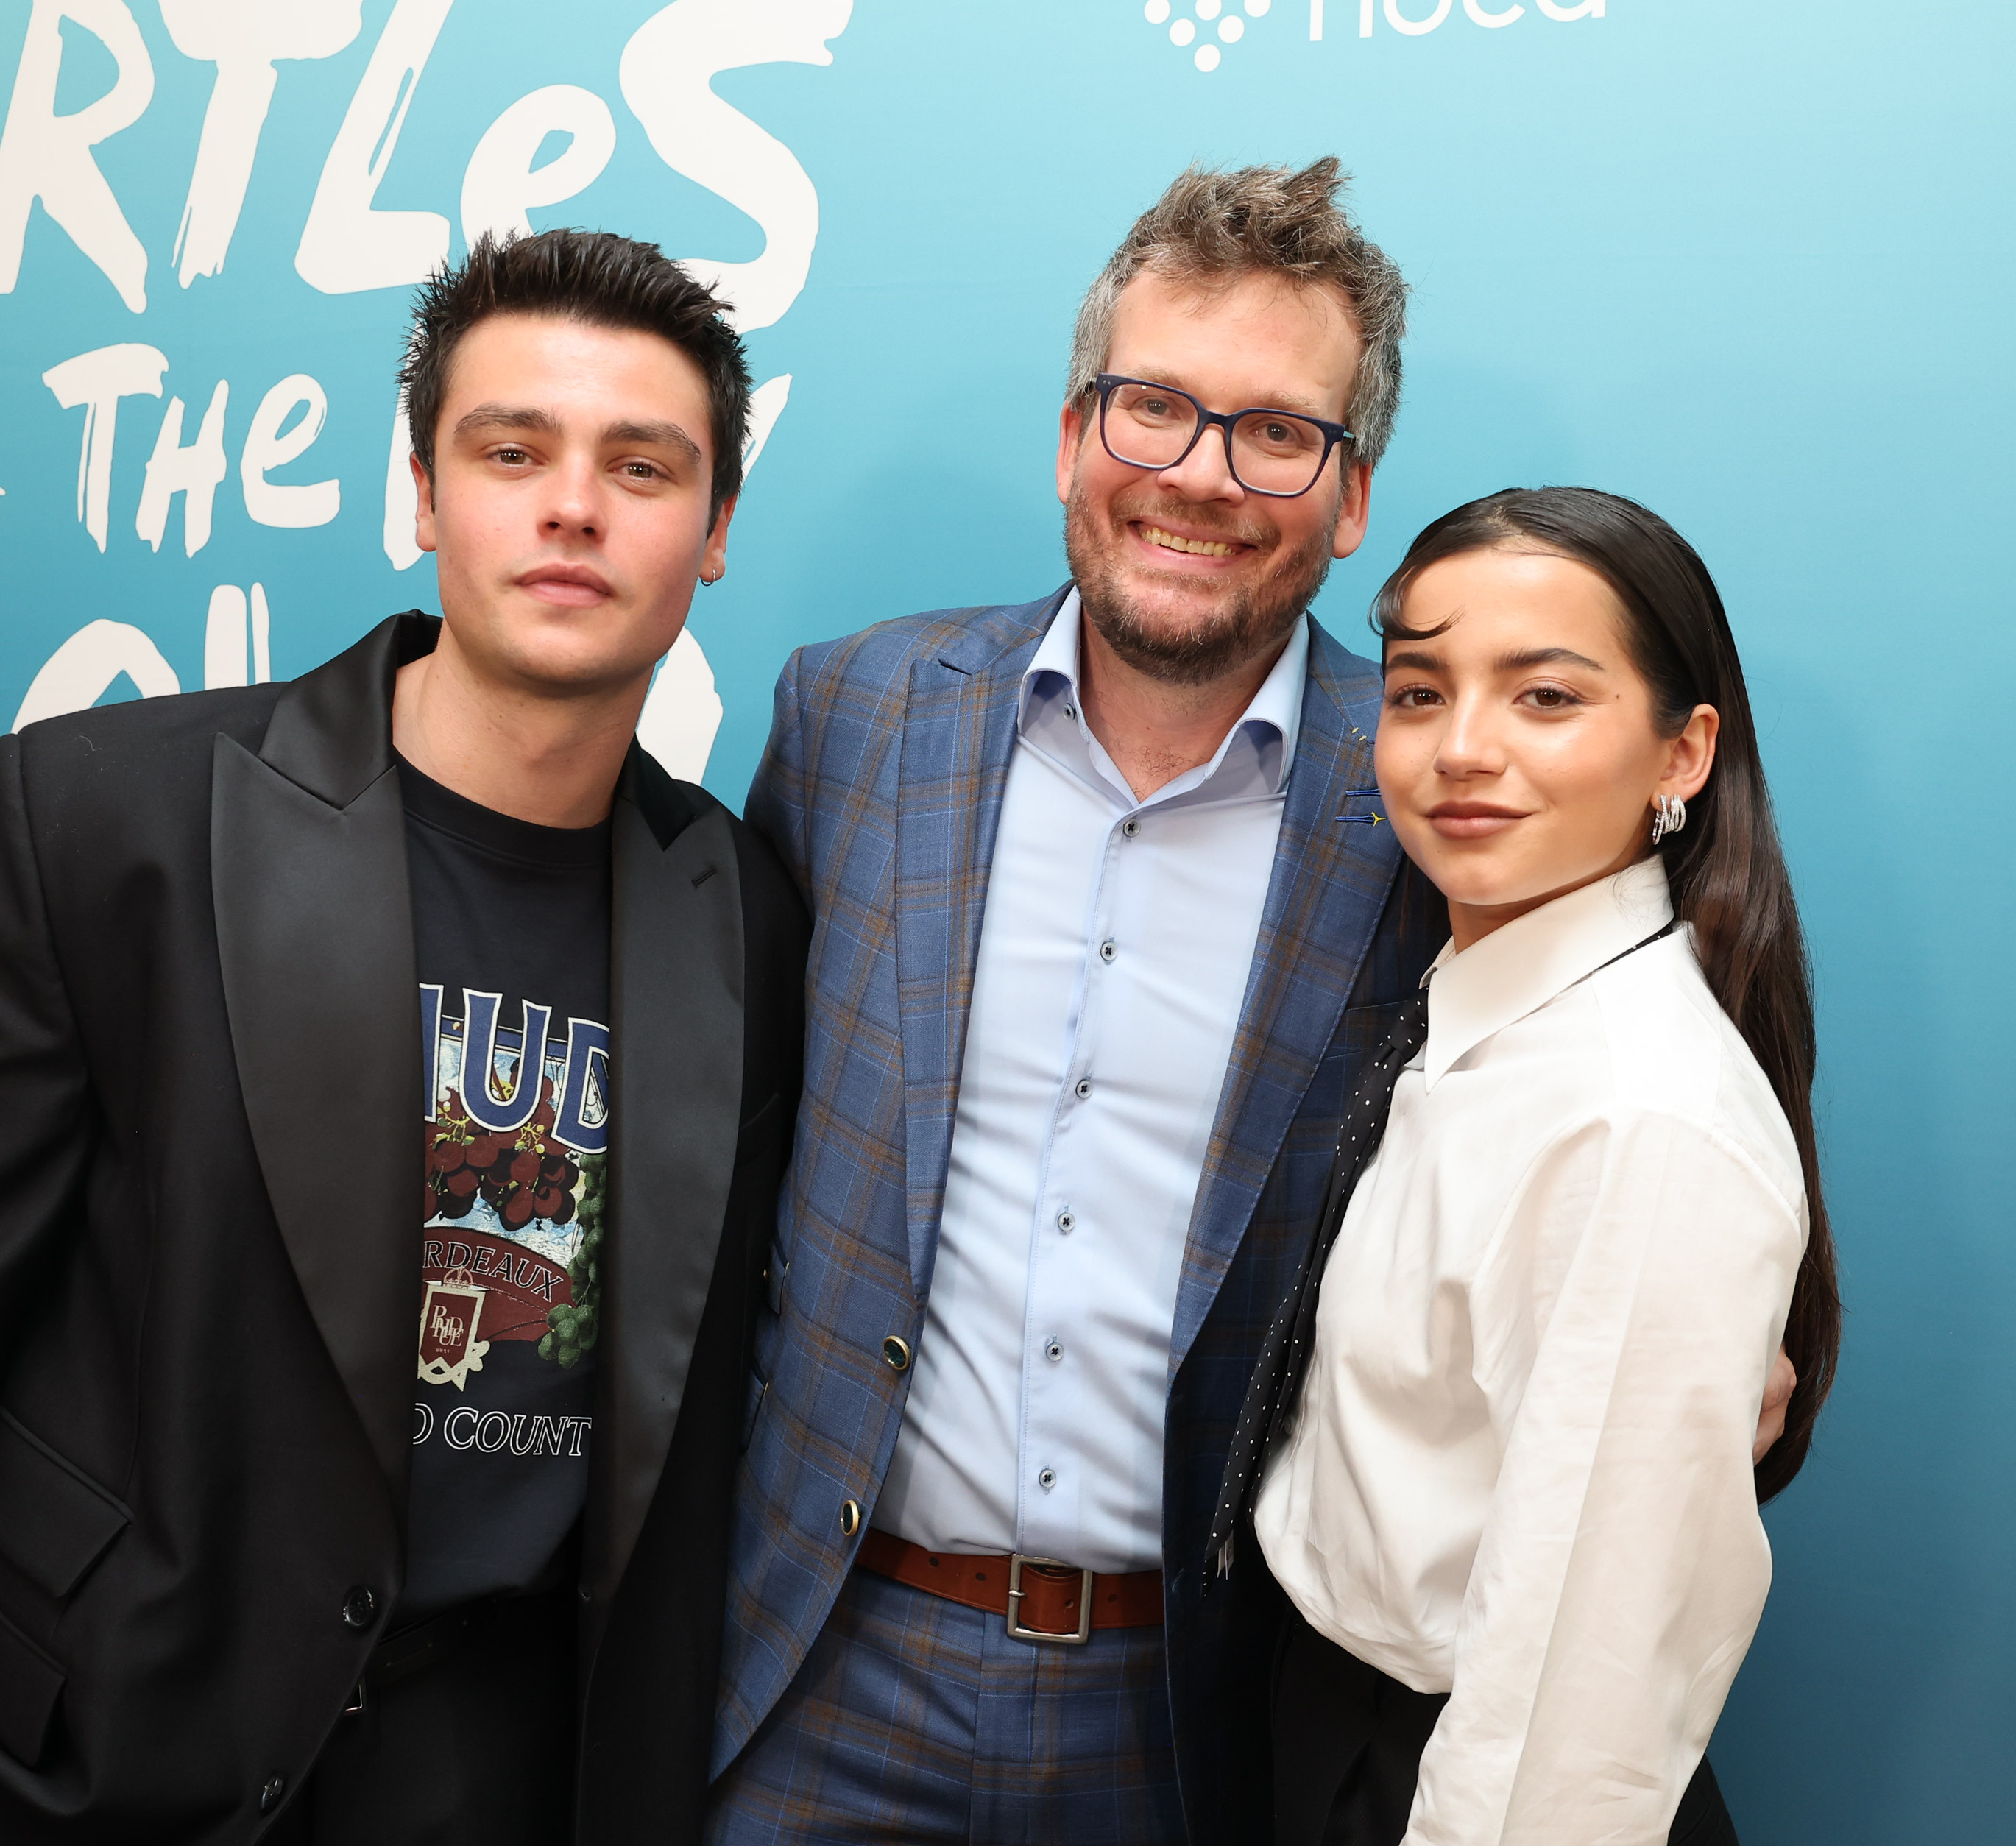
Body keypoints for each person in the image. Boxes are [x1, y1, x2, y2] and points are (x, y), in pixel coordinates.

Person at [0, 227, 806, 1846]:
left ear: (713, 530)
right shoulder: (109, 820)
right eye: (512, 451)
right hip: (94, 1762)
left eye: (641, 466)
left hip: (506, 1781)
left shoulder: (748, 916)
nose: (572, 505)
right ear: (426, 494)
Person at [706, 157, 1439, 1846]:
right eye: (1154, 408)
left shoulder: (1420, 812)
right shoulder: (855, 718)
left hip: (1186, 1720)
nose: (1199, 476)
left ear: (1347, 497)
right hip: (824, 1663)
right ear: (1071, 439)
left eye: (1276, 433)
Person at [1220, 487, 1843, 1846]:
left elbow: (1586, 1684)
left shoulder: (1642, 1111)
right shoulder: (1469, 1007)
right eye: (1419, 693)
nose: (1462, 750)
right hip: (1315, 1720)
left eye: (1546, 699)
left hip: (1462, 1780)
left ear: (1683, 754)